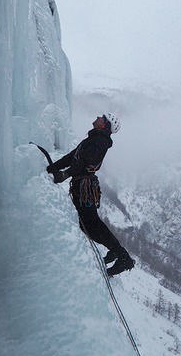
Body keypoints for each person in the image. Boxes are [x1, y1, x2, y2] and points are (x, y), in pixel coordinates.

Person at [46, 113, 135, 277]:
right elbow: (72, 157)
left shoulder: (100, 141)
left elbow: (83, 163)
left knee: (90, 224)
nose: (98, 117)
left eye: (102, 117)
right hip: (83, 186)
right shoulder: (93, 139)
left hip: (84, 187)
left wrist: (65, 174)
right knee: (89, 224)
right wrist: (51, 168)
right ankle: (117, 252)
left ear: (105, 126)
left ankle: (123, 257)